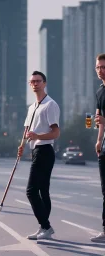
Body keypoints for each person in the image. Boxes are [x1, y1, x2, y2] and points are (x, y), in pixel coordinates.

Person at [18, 71, 60, 240]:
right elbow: (27, 131)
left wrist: (38, 136)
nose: (35, 84)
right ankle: (44, 227)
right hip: (35, 150)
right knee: (43, 191)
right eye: (32, 82)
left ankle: (46, 226)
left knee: (31, 191)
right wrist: (21, 146)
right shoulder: (32, 107)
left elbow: (56, 133)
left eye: (38, 81)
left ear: (44, 83)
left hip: (45, 151)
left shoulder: (50, 105)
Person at [91, 54, 105, 242]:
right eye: (98, 67)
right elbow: (99, 120)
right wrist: (99, 140)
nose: (100, 70)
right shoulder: (99, 92)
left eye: (103, 66)